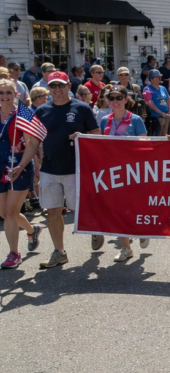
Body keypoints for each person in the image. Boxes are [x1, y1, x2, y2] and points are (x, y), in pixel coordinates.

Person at [34, 72, 101, 268]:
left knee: (77, 209)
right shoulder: (41, 111)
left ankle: (95, 228)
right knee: (53, 211)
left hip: (76, 169)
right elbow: (33, 143)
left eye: (61, 85)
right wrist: (24, 165)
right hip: (49, 169)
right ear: (48, 88)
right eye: (53, 86)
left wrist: (83, 136)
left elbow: (97, 135)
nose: (57, 89)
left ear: (68, 86)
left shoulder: (81, 108)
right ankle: (59, 252)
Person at [96, 85, 150, 261]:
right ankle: (126, 248)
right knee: (117, 209)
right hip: (113, 172)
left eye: (119, 98)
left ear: (126, 99)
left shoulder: (135, 120)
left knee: (135, 207)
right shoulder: (105, 120)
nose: (115, 101)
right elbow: (101, 145)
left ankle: (142, 229)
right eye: (111, 98)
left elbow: (145, 145)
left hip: (134, 172)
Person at [0, 79, 43, 270]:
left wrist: (22, 164)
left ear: (15, 94)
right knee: (4, 213)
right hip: (0, 166)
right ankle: (33, 231)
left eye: (8, 92)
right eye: (1, 93)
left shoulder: (22, 115)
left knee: (10, 212)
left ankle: (13, 253)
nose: (4, 96)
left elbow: (32, 144)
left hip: (20, 167)